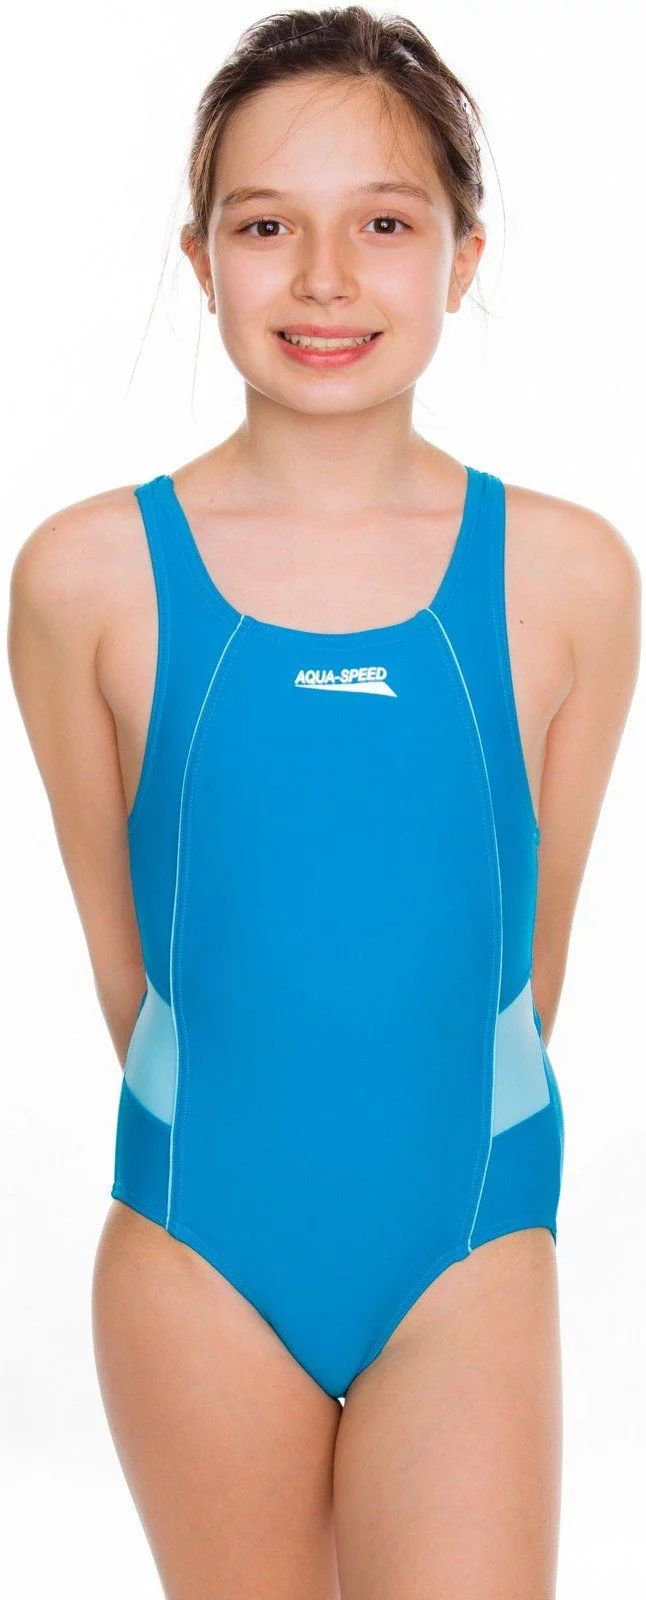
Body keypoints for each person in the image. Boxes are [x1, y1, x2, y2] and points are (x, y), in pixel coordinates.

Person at [7, 8, 640, 1597]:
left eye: (384, 224)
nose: (324, 279)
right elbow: (130, 963)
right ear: (200, 257)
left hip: (468, 1244)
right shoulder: (84, 580)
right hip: (201, 1249)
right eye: (265, 226)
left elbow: (527, 962)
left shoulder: (569, 578)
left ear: (463, 255)